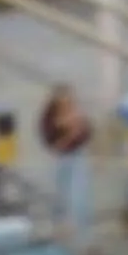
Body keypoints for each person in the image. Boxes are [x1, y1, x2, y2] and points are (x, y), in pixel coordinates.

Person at [40, 85, 95, 235]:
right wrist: (70, 134)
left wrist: (79, 129)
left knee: (80, 194)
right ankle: (58, 225)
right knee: (59, 193)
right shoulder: (49, 119)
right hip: (60, 157)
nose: (68, 104)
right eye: (64, 101)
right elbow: (54, 146)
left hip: (77, 155)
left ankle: (83, 231)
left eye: (70, 101)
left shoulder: (77, 113)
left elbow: (87, 133)